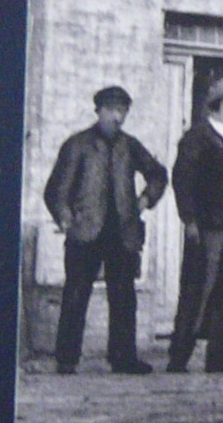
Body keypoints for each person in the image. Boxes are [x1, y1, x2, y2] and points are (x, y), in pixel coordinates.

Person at [43, 85, 169, 375]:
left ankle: (123, 358)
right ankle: (66, 359)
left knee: (124, 296)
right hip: (84, 233)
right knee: (75, 295)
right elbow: (55, 190)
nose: (118, 117)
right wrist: (65, 218)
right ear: (98, 111)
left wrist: (146, 198)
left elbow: (158, 174)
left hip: (122, 233)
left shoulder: (130, 146)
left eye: (122, 111)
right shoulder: (77, 145)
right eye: (112, 110)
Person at [167, 78, 223, 374]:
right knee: (197, 290)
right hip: (209, 228)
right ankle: (179, 356)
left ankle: (219, 356)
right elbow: (182, 180)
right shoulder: (197, 137)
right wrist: (190, 220)